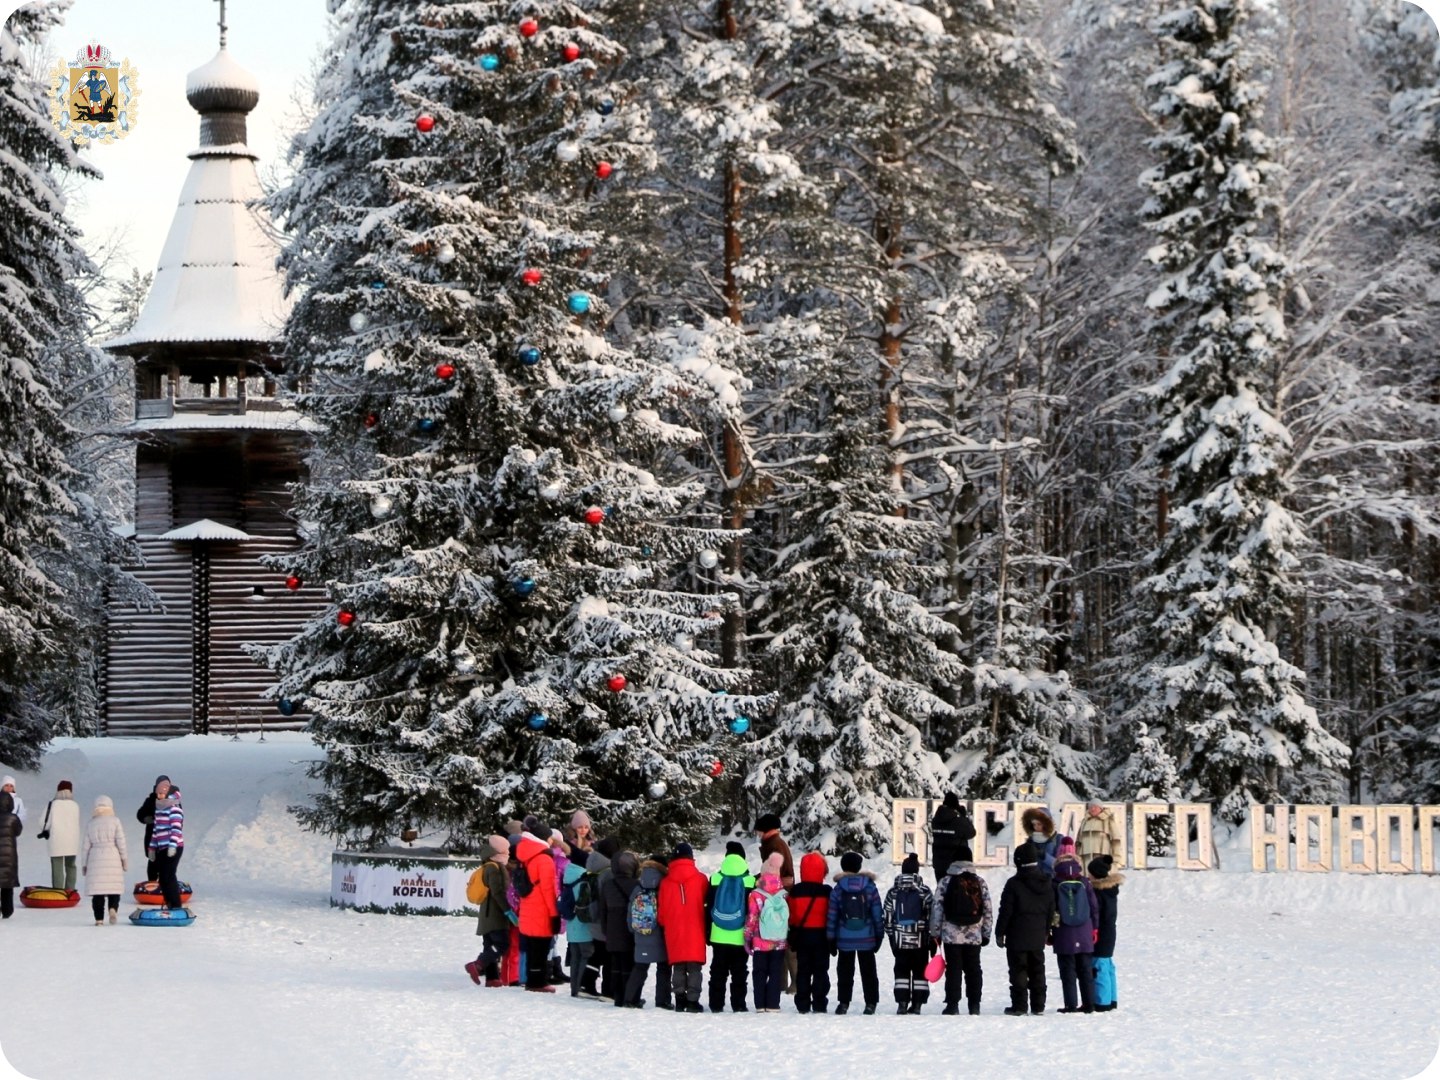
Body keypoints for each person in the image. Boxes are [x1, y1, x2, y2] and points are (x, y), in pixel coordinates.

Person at [930, 842, 992, 1015]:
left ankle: (952, 1005)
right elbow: (987, 909)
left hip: (951, 935)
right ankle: (974, 1005)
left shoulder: (946, 881)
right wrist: (985, 933)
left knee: (954, 969)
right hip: (974, 935)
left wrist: (935, 933)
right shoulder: (979, 882)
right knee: (974, 969)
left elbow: (937, 909)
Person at [995, 843, 1055, 1015]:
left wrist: (1000, 932)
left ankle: (1020, 1005)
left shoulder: (1013, 884)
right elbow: (1051, 909)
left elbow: (1005, 910)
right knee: (1038, 969)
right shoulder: (1047, 883)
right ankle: (1038, 1005)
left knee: (1018, 970)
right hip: (1037, 935)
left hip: (1016, 935)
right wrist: (1046, 930)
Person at [826, 851, 884, 1015]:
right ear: (859, 867)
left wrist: (831, 938)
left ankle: (844, 1003)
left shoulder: (838, 889)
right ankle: (871, 1003)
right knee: (869, 972)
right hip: (867, 937)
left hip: (844, 938)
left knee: (845, 971)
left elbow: (832, 916)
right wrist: (879, 935)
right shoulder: (870, 887)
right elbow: (877, 914)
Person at [656, 841, 708, 1013]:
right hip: (696, 928)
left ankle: (679, 999)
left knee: (678, 966)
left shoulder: (665, 882)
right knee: (694, 968)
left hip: (674, 930)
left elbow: (661, 913)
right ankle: (693, 1001)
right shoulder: (700, 879)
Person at [705, 840, 755, 1012]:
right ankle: (739, 1004)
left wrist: (708, 932)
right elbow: (752, 911)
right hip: (740, 935)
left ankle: (716, 1004)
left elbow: (708, 906)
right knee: (740, 972)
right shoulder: (750, 880)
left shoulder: (715, 878)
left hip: (718, 934)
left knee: (718, 971)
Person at [884, 852, 935, 1014]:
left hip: (900, 941)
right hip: (920, 941)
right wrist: (931, 937)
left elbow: (887, 916)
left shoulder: (893, 892)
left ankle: (902, 1003)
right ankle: (918, 1004)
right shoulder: (924, 891)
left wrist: (892, 936)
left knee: (901, 971)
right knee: (920, 971)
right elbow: (932, 916)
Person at [514, 820, 560, 993]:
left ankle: (532, 979)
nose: (551, 841)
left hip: (527, 908)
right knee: (541, 948)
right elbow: (548, 891)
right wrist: (554, 914)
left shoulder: (524, 856)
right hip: (541, 911)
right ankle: (537, 982)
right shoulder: (544, 860)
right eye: (549, 838)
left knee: (532, 947)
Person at [755, 814, 796, 992]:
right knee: (780, 936)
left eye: (758, 830)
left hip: (778, 894)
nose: (757, 833)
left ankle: (793, 981)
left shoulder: (773, 845)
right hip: (781, 892)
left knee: (782, 937)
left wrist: (757, 882)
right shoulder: (773, 843)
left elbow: (772, 872)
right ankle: (782, 981)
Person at [1052, 857, 1099, 1013]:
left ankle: (1070, 1005)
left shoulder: (1054, 883)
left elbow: (1051, 908)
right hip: (1085, 930)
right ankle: (1089, 1004)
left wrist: (1049, 931)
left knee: (1068, 971)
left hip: (1063, 932)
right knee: (1086, 970)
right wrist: (1095, 928)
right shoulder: (1085, 883)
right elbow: (1093, 907)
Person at [464, 834, 512, 987]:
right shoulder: (494, 868)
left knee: (489, 944)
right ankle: (478, 964)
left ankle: (492, 978)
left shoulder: (489, 865)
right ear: (497, 852)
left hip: (487, 914)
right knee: (502, 944)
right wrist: (508, 911)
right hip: (495, 915)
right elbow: (497, 892)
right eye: (505, 851)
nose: (508, 853)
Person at [624, 854, 671, 1009]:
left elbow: (631, 911)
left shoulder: (639, 886)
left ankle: (630, 999)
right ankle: (662, 1001)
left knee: (640, 967)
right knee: (663, 968)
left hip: (641, 933)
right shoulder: (664, 884)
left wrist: (634, 929)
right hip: (659, 935)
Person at [744, 858, 789, 1012]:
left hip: (760, 940)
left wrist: (747, 936)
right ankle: (773, 1004)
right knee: (776, 972)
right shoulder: (783, 893)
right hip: (779, 941)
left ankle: (760, 1004)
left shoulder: (755, 894)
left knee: (760, 972)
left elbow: (752, 917)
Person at [597, 850, 640, 1005]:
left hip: (612, 931)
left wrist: (605, 930)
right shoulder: (636, 884)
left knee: (615, 966)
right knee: (629, 965)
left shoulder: (609, 885)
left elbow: (603, 910)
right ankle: (630, 996)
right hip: (630, 931)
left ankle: (617, 995)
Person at [561, 846, 602, 999]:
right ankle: (581, 987)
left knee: (575, 957)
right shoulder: (584, 878)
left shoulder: (567, 876)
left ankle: (574, 988)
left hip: (571, 925)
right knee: (587, 955)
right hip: (583, 925)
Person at [82, 795, 128, 926]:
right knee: (113, 888)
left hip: (95, 857)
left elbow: (85, 846)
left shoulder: (91, 823)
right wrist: (124, 859)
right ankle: (113, 909)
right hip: (113, 855)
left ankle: (99, 919)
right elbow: (121, 842)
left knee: (98, 892)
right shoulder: (115, 821)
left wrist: (84, 864)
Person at [1088, 854, 1123, 1011]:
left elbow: (1095, 914)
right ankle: (1112, 998)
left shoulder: (1097, 892)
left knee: (1099, 966)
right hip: (1110, 932)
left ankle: (1102, 1001)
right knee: (1107, 965)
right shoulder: (1111, 890)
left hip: (1101, 933)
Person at [149, 782, 185, 910]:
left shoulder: (174, 808)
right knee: (162, 877)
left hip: (174, 847)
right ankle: (169, 902)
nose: (159, 796)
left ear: (168, 794)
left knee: (168, 875)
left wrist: (173, 845)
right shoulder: (159, 809)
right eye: (157, 793)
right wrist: (152, 848)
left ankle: (176, 905)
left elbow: (176, 829)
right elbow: (156, 830)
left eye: (162, 793)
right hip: (162, 848)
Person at [41, 780, 82, 892]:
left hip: (56, 841)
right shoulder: (75, 805)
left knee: (57, 866)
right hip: (72, 841)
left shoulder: (53, 805)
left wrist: (46, 830)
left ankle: (58, 892)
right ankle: (70, 891)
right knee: (71, 866)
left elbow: (43, 822)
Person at [928, 793, 975, 885]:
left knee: (941, 892)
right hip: (955, 864)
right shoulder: (958, 821)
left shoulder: (936, 820)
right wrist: (963, 816)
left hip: (939, 863)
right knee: (955, 894)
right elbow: (971, 833)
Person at [136, 775, 171, 881]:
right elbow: (140, 814)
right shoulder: (150, 800)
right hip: (152, 836)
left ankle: (166, 882)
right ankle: (152, 882)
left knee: (167, 861)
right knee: (153, 860)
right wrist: (147, 819)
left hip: (167, 837)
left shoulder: (173, 801)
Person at [1016, 807, 1061, 876]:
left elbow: (1062, 866)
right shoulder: (1030, 840)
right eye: (1034, 824)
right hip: (1034, 882)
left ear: (1047, 823)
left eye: (1039, 824)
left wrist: (1044, 856)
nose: (1036, 827)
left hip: (1052, 883)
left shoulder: (1058, 839)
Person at [1077, 801, 1124, 865]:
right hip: (1086, 858)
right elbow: (1079, 840)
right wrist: (1077, 855)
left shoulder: (1108, 820)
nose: (1093, 809)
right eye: (1090, 807)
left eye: (1095, 807)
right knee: (1088, 874)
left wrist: (1116, 855)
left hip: (1103, 856)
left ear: (1100, 808)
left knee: (1102, 874)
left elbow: (1115, 839)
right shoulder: (1084, 821)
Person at [0, 791, 20, 919]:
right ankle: (7, 910)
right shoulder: (13, 818)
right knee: (7, 883)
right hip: (9, 855)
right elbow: (18, 831)